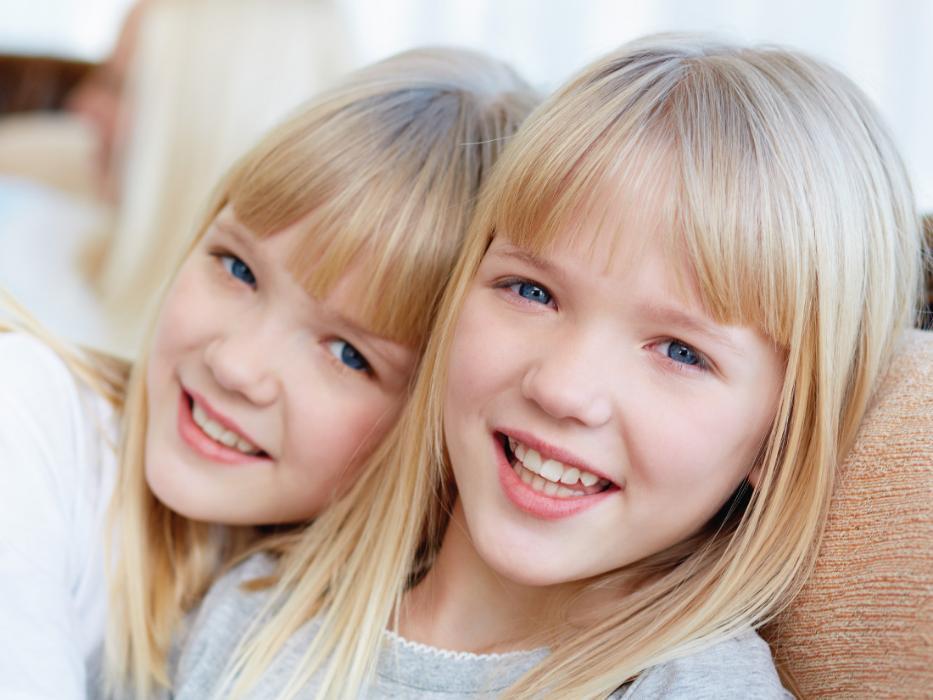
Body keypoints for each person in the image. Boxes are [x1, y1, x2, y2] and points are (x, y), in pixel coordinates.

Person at [172, 35, 925, 699]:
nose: (562, 388)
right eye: (530, 291)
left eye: (679, 351)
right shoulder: (259, 610)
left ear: (780, 434)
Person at [0, 47, 536, 699]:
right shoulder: (28, 416)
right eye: (237, 268)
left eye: (346, 353)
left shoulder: (341, 628)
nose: (235, 365)